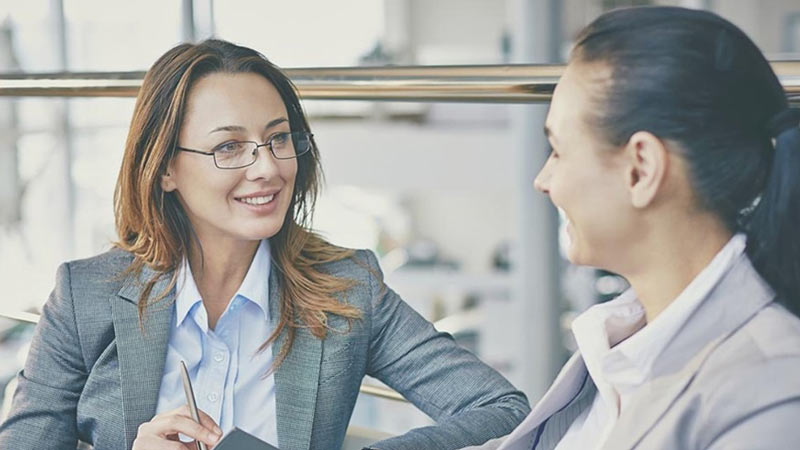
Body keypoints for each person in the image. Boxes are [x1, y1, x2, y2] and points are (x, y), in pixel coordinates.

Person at [0, 39, 530, 450]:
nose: (269, 168)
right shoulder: (84, 295)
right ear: (164, 169)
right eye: (229, 146)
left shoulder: (348, 290)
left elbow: (502, 407)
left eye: (279, 138)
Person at [467, 6, 800, 450]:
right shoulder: (624, 344)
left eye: (558, 150)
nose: (543, 181)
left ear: (641, 169)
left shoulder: (770, 397)